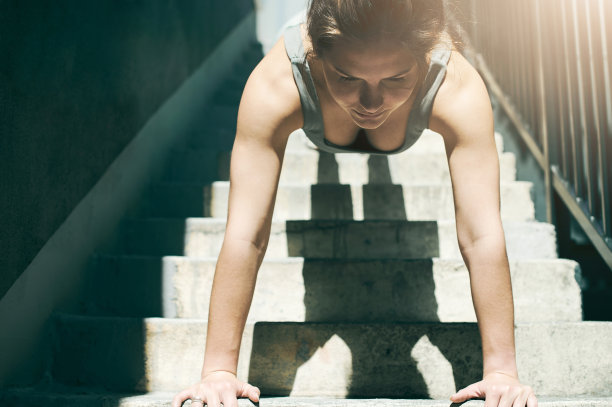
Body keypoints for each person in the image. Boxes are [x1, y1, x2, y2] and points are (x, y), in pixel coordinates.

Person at [172, 1, 538, 406]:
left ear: (424, 56)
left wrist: (502, 370)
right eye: (346, 76)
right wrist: (218, 371)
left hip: (400, 88)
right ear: (317, 56)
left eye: (397, 78)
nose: (371, 101)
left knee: (379, 129)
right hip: (319, 86)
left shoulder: (456, 84)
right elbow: (246, 234)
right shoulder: (276, 82)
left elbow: (481, 234)